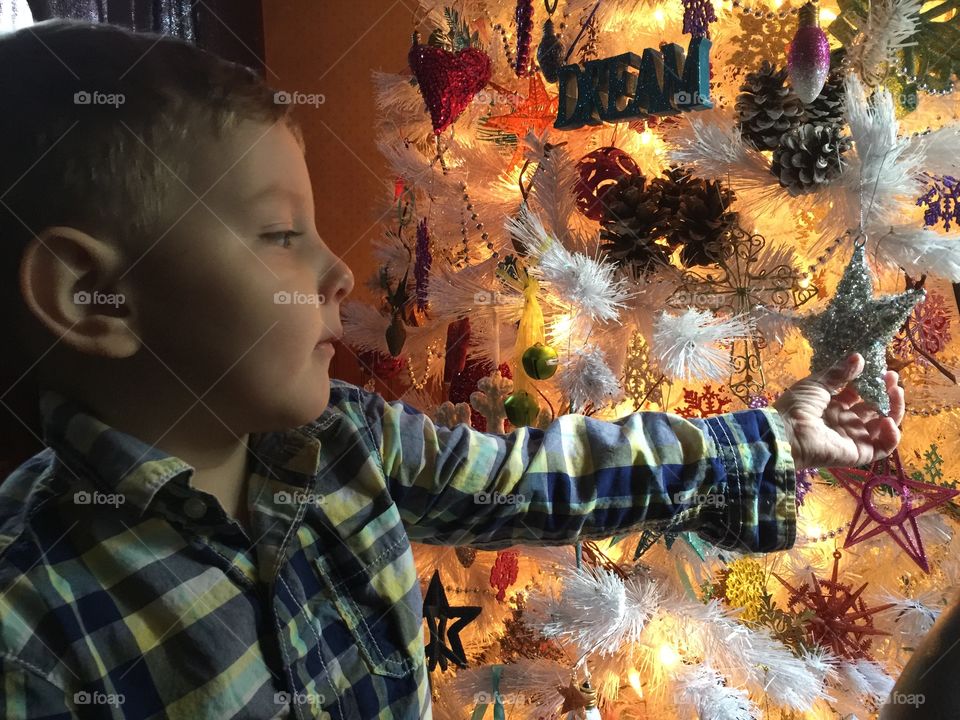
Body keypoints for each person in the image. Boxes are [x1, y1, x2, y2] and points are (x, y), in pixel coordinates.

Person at [0, 19, 905, 720]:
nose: (337, 270)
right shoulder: (31, 628)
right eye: (279, 234)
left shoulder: (343, 438)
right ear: (91, 297)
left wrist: (773, 437)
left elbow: (536, 480)